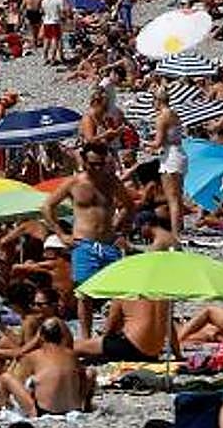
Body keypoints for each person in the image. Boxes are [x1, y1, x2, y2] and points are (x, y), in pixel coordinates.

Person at [42, 141, 135, 338]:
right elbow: (47, 207)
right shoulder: (73, 183)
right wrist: (60, 234)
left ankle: (116, 332)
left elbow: (129, 205)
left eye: (101, 163)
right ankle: (85, 337)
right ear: (84, 161)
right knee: (84, 293)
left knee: (120, 290)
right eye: (93, 164)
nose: (97, 168)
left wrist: (120, 229)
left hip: (109, 242)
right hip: (83, 242)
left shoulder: (111, 182)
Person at [0, 318, 94, 416]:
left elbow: (21, 381)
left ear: (41, 337)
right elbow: (83, 377)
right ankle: (87, 406)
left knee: (5, 377)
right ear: (61, 337)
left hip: (43, 411)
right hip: (74, 408)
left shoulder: (34, 355)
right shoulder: (72, 355)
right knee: (90, 373)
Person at [74, 296, 181, 363]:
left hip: (131, 346)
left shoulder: (126, 292)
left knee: (77, 346)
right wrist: (178, 355)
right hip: (153, 353)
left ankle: (58, 354)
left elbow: (110, 327)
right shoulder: (163, 295)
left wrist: (101, 343)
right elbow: (169, 326)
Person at [146, 86, 187, 237]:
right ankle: (180, 226)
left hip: (170, 157)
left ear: (157, 101)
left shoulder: (161, 117)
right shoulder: (174, 113)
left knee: (172, 198)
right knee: (178, 195)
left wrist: (145, 143)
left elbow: (158, 143)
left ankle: (175, 233)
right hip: (179, 153)